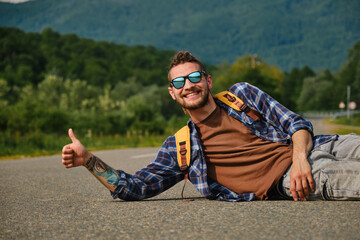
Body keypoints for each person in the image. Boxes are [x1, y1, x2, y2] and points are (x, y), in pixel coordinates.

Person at [62, 51, 360, 202]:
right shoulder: (180, 147)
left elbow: (294, 123)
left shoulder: (241, 95)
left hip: (316, 146)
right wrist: (89, 161)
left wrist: (299, 159)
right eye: (178, 82)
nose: (187, 86)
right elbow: (134, 188)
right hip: (289, 177)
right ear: (172, 92)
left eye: (194, 77)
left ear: (208, 81)